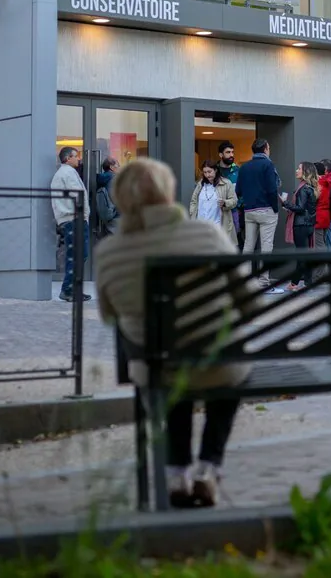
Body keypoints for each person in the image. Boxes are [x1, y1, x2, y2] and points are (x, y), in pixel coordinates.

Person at [95, 157, 260, 509]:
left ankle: (176, 472)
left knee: (172, 373)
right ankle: (208, 465)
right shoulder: (205, 234)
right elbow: (249, 302)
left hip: (156, 367)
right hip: (218, 364)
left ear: (122, 200)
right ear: (167, 192)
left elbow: (110, 316)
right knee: (220, 367)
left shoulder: (109, 252)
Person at [236, 138, 280, 290]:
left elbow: (238, 191)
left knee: (248, 246)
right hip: (266, 209)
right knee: (266, 247)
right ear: (266, 149)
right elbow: (272, 189)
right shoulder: (268, 164)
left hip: (249, 211)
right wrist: (275, 208)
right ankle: (263, 281)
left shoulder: (244, 167)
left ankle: (245, 279)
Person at [51, 147, 91, 303]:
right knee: (78, 255)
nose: (78, 159)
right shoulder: (68, 173)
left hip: (69, 219)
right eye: (76, 156)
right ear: (68, 158)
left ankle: (72, 289)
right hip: (75, 219)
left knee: (76, 255)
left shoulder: (63, 174)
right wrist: (83, 215)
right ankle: (68, 289)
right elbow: (77, 195)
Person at [281, 161, 319, 290]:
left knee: (301, 256)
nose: (296, 170)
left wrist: (285, 203)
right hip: (309, 225)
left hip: (300, 225)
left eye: (299, 168)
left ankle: (294, 283)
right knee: (306, 255)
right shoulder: (311, 188)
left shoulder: (303, 189)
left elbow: (300, 208)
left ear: (305, 172)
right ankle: (308, 281)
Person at [189, 160, 238, 245]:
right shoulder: (200, 184)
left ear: (215, 170)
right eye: (205, 172)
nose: (207, 175)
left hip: (218, 225)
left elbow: (234, 200)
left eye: (209, 171)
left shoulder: (226, 183)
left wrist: (225, 203)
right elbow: (193, 201)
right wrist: (192, 213)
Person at [217, 141, 244, 249]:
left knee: (234, 242)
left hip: (234, 212)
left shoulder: (238, 171)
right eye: (228, 152)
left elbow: (243, 191)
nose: (231, 155)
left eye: (232, 152)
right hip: (217, 212)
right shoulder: (214, 171)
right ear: (221, 155)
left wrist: (239, 206)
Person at [315, 158, 331, 271]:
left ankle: (322, 273)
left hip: (323, 216)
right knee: (325, 243)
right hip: (327, 216)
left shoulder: (324, 182)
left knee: (323, 244)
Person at [95, 157, 120, 237]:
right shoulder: (115, 179)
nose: (119, 168)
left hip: (108, 216)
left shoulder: (101, 179)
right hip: (116, 215)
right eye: (118, 165)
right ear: (111, 167)